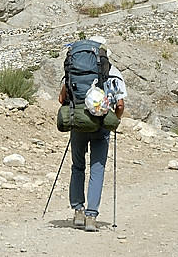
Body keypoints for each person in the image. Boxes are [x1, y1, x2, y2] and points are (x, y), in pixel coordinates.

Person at [58, 35, 126, 232]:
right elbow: (120, 104)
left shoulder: (75, 70)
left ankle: (78, 210)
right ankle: (91, 216)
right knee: (97, 169)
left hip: (78, 124)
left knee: (77, 166)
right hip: (101, 125)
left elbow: (62, 98)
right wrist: (115, 120)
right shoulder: (113, 73)